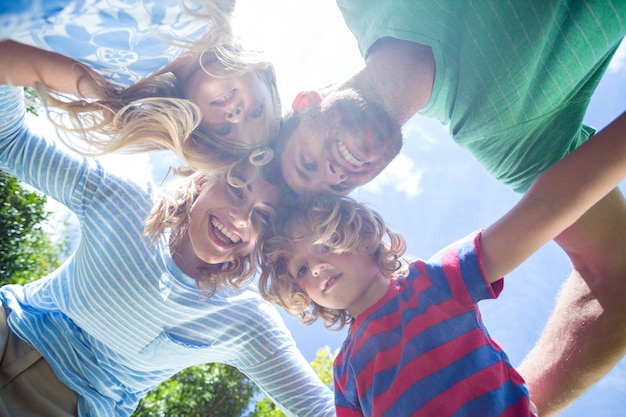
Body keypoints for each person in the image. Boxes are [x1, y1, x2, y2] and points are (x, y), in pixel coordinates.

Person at [274, 2, 626, 414]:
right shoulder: (345, 374)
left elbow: (546, 209)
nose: (334, 173)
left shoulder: (433, 282)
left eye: (306, 162)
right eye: (338, 188)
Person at [0, 85, 335, 417]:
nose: (240, 217)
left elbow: (318, 409)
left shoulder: (245, 322)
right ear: (204, 182)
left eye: (262, 216)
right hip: (11, 330)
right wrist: (16, 51)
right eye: (236, 189)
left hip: (69, 405)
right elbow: (10, 142)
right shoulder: (122, 200)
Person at [0, 0, 282, 172]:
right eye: (256, 112)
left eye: (224, 130)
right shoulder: (215, 5)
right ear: (262, 75)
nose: (235, 116)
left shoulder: (110, 87)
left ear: (198, 127)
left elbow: (7, 61)